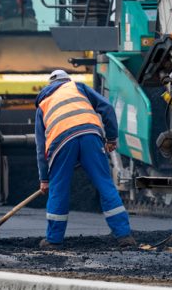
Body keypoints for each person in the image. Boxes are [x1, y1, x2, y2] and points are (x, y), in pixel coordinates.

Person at [35, 69, 135, 249]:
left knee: (59, 189)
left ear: (50, 85)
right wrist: (111, 138)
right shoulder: (78, 87)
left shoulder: (43, 103)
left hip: (60, 142)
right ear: (67, 80)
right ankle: (124, 236)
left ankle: (53, 240)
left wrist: (44, 178)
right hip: (90, 135)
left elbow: (41, 147)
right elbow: (107, 108)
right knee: (105, 185)